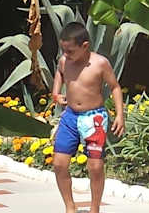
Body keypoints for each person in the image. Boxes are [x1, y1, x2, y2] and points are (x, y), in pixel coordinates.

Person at [50, 23, 123, 213]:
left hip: (94, 119)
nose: (66, 54)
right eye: (63, 50)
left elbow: (115, 87)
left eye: (70, 51)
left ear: (85, 46)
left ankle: (94, 208)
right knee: (59, 164)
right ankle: (70, 206)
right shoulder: (64, 61)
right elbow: (59, 73)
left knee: (96, 166)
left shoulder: (100, 63)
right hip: (70, 117)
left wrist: (119, 115)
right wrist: (56, 93)